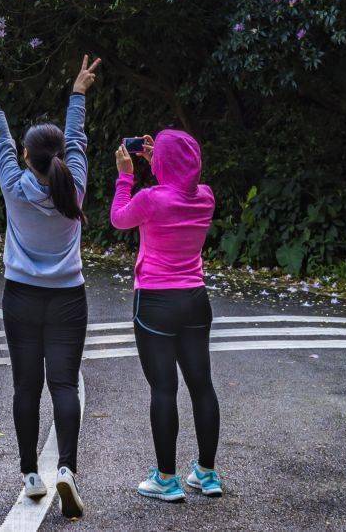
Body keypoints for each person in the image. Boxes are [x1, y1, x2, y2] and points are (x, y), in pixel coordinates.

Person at [0, 53, 97, 519]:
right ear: (61, 157)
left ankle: (31, 475)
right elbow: (77, 136)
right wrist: (78, 91)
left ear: (26, 156)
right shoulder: (74, 187)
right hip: (68, 299)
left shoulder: (12, 184)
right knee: (64, 384)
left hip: (20, 297)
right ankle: (66, 470)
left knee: (26, 386)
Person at [111, 128, 223, 501]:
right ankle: (206, 474)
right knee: (201, 385)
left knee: (164, 389)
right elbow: (182, 177)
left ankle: (165, 478)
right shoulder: (205, 197)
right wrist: (159, 159)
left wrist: (126, 175)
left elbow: (118, 218)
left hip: (155, 303)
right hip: (195, 299)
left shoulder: (149, 199)